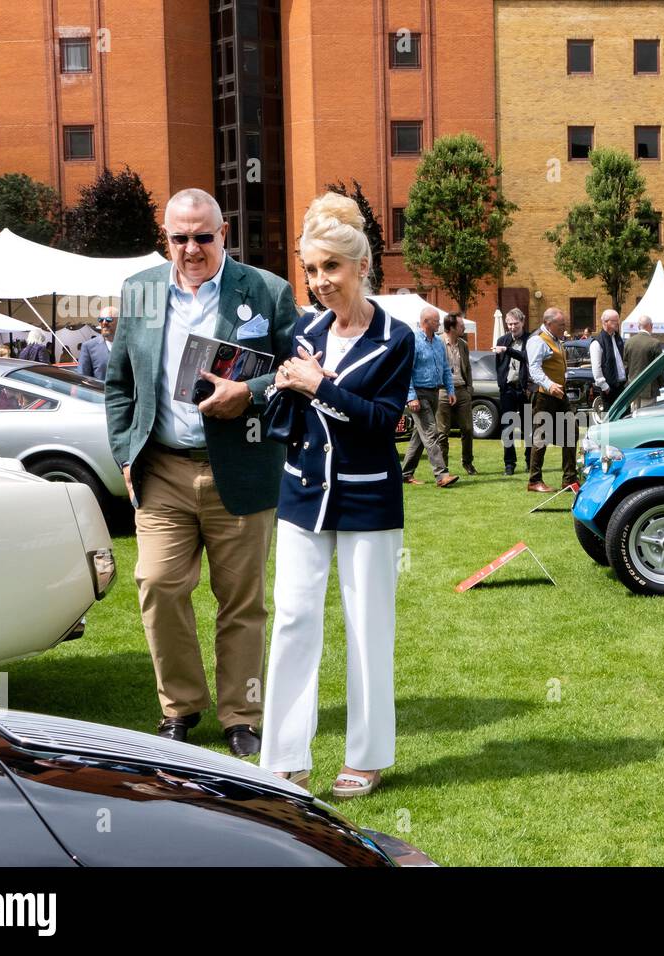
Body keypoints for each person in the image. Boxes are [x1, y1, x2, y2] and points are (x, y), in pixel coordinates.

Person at [104, 186, 298, 756]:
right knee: (158, 583)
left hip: (240, 466)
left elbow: (295, 370)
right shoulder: (140, 290)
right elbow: (120, 382)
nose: (191, 249)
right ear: (165, 238)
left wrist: (250, 392)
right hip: (161, 467)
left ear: (224, 235)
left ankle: (241, 715)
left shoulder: (266, 291)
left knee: (242, 599)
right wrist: (123, 451)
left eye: (202, 237)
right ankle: (180, 708)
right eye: (179, 237)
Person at [259, 192, 414, 798]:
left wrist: (320, 384)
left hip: (369, 501)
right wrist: (283, 387)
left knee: (367, 624)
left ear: (361, 267)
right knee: (294, 619)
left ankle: (368, 755)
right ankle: (284, 756)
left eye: (331, 268)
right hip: (302, 493)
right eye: (312, 269)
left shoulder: (397, 338)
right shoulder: (303, 329)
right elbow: (291, 407)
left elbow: (382, 422)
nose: (320, 281)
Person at [400, 307, 458, 487]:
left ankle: (405, 474)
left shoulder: (439, 343)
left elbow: (446, 368)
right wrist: (411, 397)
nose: (439, 323)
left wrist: (450, 390)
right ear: (426, 322)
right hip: (419, 394)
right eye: (436, 321)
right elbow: (405, 371)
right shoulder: (414, 341)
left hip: (434, 392)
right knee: (432, 433)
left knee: (420, 436)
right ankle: (441, 475)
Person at [526, 306, 577, 493]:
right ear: (549, 323)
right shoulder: (537, 340)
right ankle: (534, 481)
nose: (564, 327)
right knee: (541, 436)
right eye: (561, 324)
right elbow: (534, 369)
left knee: (572, 430)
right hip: (544, 396)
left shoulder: (556, 339)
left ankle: (570, 479)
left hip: (559, 394)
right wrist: (550, 385)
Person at [435, 312, 475, 476]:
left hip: (461, 389)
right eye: (460, 325)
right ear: (451, 328)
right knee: (442, 433)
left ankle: (468, 463)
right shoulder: (437, 342)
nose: (464, 327)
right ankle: (443, 469)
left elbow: (468, 368)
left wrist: (469, 388)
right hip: (443, 390)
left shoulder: (463, 344)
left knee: (467, 429)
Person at [492, 308, 531, 476]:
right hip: (507, 388)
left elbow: (526, 358)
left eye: (515, 323)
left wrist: (507, 350)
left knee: (528, 427)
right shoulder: (503, 340)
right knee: (507, 427)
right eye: (509, 324)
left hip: (524, 388)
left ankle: (530, 461)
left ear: (522, 322)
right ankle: (509, 464)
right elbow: (499, 364)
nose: (512, 327)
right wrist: (501, 382)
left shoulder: (531, 339)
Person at [589, 308, 627, 410]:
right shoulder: (597, 343)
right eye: (614, 321)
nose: (617, 323)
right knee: (610, 419)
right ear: (605, 322)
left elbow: (622, 361)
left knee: (625, 417)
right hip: (609, 389)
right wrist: (604, 386)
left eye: (618, 321)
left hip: (622, 385)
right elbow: (596, 368)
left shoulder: (617, 338)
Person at [623, 322, 664, 412]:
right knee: (647, 416)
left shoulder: (629, 342)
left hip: (632, 386)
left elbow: (625, 365)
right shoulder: (655, 343)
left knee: (633, 415)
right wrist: (660, 384)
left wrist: (627, 382)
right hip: (649, 387)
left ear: (638, 326)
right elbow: (659, 367)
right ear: (651, 326)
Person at [77, 308, 117, 379]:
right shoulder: (89, 347)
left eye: (109, 319)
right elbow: (82, 380)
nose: (104, 322)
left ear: (119, 322)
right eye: (101, 320)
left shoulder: (128, 346)